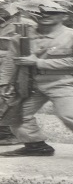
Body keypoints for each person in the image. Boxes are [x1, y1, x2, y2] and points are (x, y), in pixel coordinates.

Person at [0, 4, 73, 164]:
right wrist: (3, 83)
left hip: (65, 82)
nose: (45, 15)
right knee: (16, 114)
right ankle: (36, 146)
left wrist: (40, 63)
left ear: (64, 16)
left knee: (71, 115)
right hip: (30, 83)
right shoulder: (21, 38)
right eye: (39, 12)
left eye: (52, 12)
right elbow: (10, 62)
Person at [0, 12, 37, 145]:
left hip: (15, 69)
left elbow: (31, 50)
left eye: (3, 6)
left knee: (9, 99)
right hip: (4, 68)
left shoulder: (26, 25)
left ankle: (8, 134)